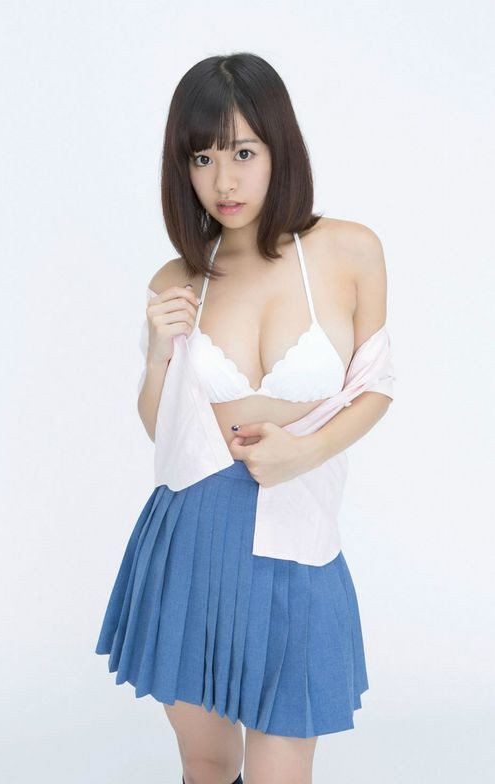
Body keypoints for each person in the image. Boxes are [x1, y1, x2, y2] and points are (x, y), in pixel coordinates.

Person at [95, 52, 395, 784]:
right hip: (187, 538)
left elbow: (376, 385)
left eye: (242, 152)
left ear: (278, 147)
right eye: (202, 158)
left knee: (280, 768)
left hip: (297, 544)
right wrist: (158, 356)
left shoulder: (349, 250)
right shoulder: (178, 279)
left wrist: (305, 451)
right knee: (206, 764)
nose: (223, 181)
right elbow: (161, 430)